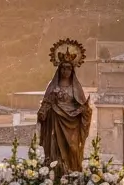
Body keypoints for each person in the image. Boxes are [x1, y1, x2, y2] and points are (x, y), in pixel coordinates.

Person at [37, 45, 95, 174]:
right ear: (59, 69)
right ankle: (55, 174)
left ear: (72, 70)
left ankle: (72, 173)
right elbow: (44, 107)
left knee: (73, 149)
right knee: (55, 152)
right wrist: (44, 112)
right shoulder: (52, 87)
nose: (66, 71)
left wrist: (84, 111)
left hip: (72, 125)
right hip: (55, 123)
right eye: (63, 68)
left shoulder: (76, 88)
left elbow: (84, 108)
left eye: (69, 68)